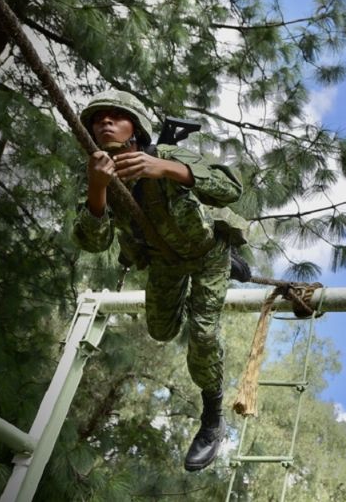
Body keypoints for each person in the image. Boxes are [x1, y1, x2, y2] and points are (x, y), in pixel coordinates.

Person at [72, 89, 244, 471]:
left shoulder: (163, 155)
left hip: (207, 254)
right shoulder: (96, 174)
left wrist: (164, 168)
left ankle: (212, 416)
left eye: (116, 115)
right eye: (99, 117)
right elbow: (92, 241)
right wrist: (98, 187)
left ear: (135, 127)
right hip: (166, 261)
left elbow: (231, 189)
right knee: (162, 331)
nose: (105, 121)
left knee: (202, 333)